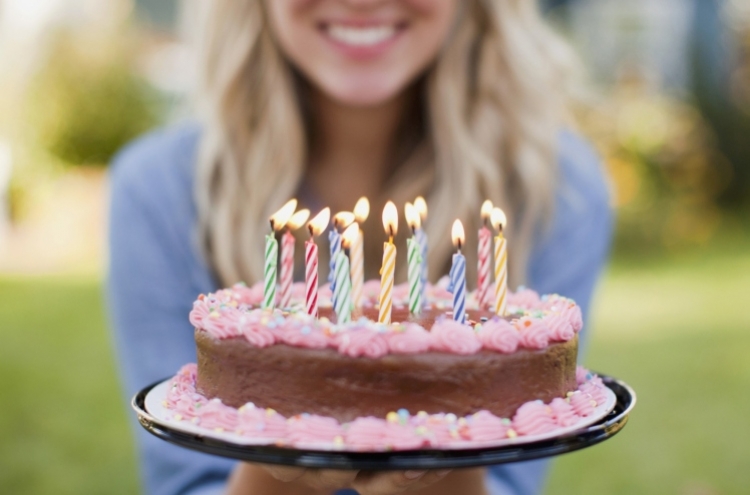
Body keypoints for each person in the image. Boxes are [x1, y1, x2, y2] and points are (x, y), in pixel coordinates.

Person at [108, 1, 612, 494]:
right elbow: (184, 479)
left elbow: (513, 477)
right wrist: (288, 448)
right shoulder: (159, 191)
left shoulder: (558, 189)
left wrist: (447, 447)